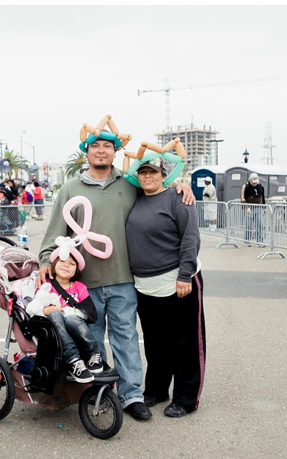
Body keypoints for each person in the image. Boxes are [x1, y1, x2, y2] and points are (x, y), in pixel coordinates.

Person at [38, 123, 195, 422]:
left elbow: (156, 189)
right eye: (95, 146)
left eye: (107, 146)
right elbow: (56, 230)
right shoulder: (71, 188)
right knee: (91, 340)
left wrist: (180, 186)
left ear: (115, 151)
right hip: (85, 283)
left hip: (125, 279)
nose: (101, 150)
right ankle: (98, 392)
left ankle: (132, 395)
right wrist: (46, 260)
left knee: (126, 338)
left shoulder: (129, 183)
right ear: (87, 152)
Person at [125, 158, 205, 418]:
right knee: (155, 344)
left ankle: (186, 398)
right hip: (145, 286)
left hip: (178, 282)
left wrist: (184, 275)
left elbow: (190, 237)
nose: (147, 176)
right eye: (143, 172)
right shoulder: (135, 197)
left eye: (153, 172)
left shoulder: (178, 198)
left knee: (184, 343)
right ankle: (157, 390)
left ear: (163, 175)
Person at [38, 252, 104, 383]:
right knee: (55, 314)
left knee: (72, 318)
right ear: (54, 264)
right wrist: (45, 310)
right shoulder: (46, 286)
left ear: (76, 270)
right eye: (62, 261)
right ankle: (73, 360)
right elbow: (35, 306)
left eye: (72, 264)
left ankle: (93, 352)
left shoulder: (80, 287)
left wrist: (71, 311)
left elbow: (90, 312)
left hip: (75, 327)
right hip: (55, 330)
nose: (66, 265)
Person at [240, 173, 265, 246]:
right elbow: (242, 197)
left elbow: (262, 197)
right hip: (249, 208)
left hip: (259, 207)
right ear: (250, 180)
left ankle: (259, 241)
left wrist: (264, 207)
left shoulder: (260, 186)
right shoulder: (246, 186)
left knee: (260, 224)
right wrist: (246, 206)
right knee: (248, 224)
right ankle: (247, 240)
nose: (254, 183)